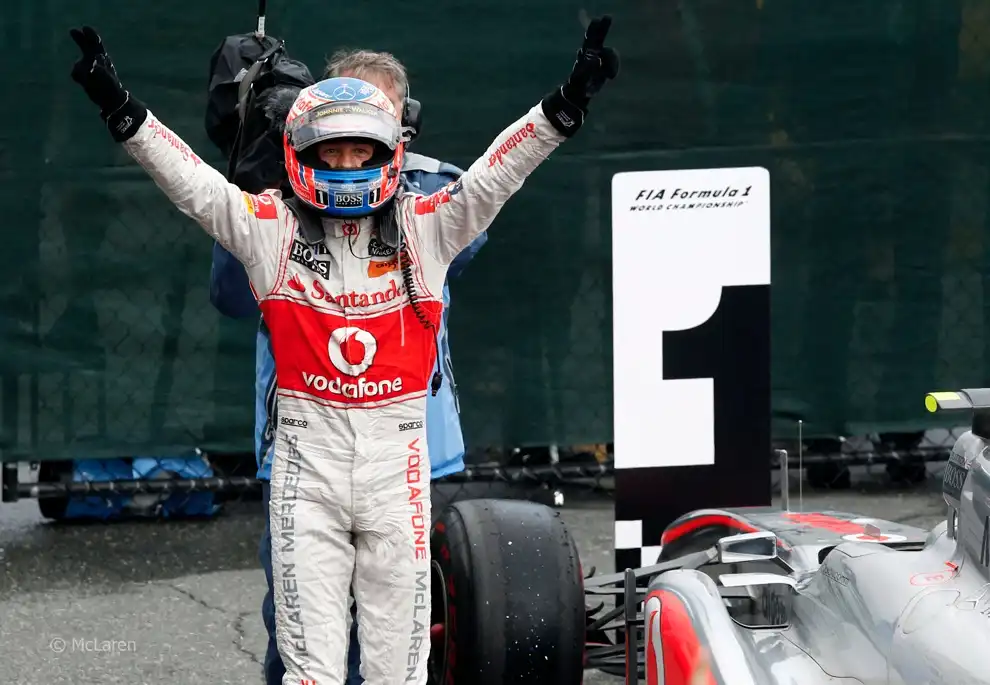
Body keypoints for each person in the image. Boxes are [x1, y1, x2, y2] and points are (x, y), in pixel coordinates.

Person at [69, 18, 618, 685]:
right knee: (312, 672)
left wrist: (563, 106)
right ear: (302, 152)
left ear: (395, 147)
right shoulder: (269, 227)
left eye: (363, 150)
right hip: (306, 472)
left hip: (399, 470)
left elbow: (496, 175)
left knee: (399, 673)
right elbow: (191, 184)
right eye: (333, 152)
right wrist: (121, 109)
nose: (349, 166)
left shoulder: (430, 225)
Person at [209, 49, 488, 685]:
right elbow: (229, 296)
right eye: (337, 118)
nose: (351, 137)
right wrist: (255, 171)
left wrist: (384, 186)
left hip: (411, 444)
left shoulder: (435, 191)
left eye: (375, 118)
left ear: (406, 122)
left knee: (400, 633)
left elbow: (467, 240)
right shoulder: (275, 205)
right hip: (304, 445)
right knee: (300, 629)